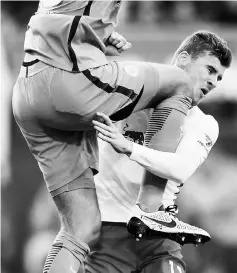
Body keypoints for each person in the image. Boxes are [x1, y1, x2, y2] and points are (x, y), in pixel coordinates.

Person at [11, 0, 230, 272]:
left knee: (77, 228)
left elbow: (181, 168)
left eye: (220, 78)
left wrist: (129, 147)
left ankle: (150, 213)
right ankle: (150, 210)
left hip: (155, 240)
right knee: (178, 82)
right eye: (210, 70)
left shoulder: (205, 123)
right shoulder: (130, 95)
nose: (213, 82)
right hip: (110, 235)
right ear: (184, 58)